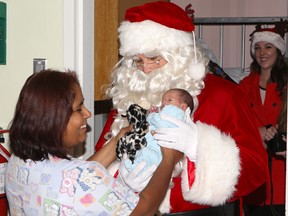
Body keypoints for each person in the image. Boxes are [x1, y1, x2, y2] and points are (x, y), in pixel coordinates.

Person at [95, 1, 269, 215]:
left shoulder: (223, 95)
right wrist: (119, 176)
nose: (146, 68)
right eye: (137, 61)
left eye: (154, 59)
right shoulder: (129, 96)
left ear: (179, 54)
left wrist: (199, 147)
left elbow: (257, 170)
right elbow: (100, 155)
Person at [5, 69, 183, 216]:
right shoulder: (82, 177)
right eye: (79, 108)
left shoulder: (18, 161)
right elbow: (142, 211)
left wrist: (117, 142)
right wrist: (169, 159)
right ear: (54, 118)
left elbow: (73, 183)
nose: (88, 113)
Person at [238, 20, 288, 216]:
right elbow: (236, 124)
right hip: (254, 168)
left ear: (278, 51)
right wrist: (257, 132)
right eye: (257, 48)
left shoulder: (286, 84)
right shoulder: (244, 86)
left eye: (268, 47)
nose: (262, 52)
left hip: (281, 169)